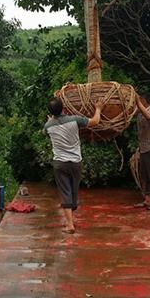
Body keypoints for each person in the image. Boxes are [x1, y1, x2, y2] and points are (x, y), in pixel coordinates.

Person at [44, 96, 104, 233]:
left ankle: (69, 224)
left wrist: (50, 121)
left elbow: (48, 132)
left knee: (65, 192)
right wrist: (98, 108)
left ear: (50, 112)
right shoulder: (75, 120)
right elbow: (95, 121)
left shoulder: (48, 126)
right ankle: (70, 222)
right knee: (74, 191)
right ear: (64, 108)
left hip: (59, 163)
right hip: (76, 162)